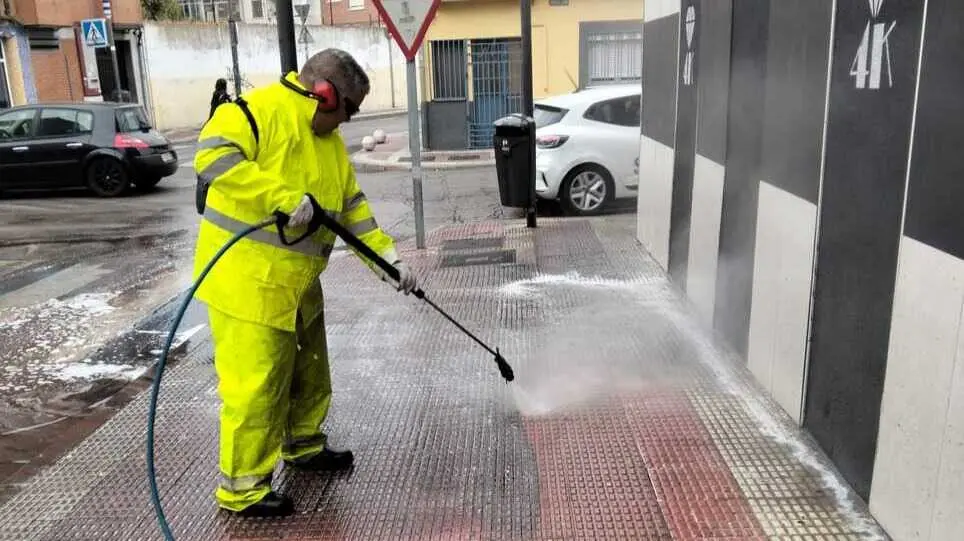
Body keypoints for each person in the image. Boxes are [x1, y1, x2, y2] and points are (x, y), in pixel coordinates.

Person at [192, 48, 418, 518]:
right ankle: (244, 488)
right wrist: (280, 197)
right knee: (256, 389)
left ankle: (304, 445)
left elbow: (351, 211)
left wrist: (390, 262)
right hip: (247, 284)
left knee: (311, 372)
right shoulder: (258, 111)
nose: (348, 122)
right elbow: (211, 157)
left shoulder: (331, 146)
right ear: (325, 94)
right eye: (349, 110)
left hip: (298, 285)